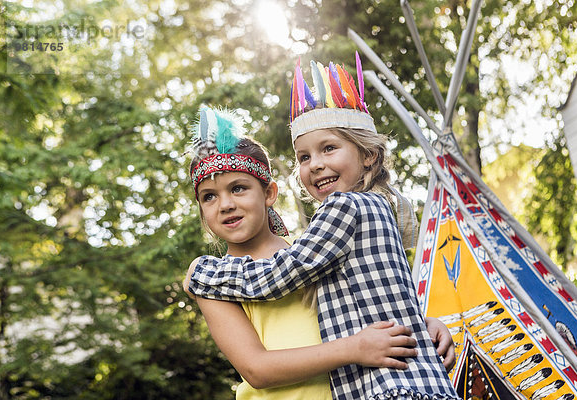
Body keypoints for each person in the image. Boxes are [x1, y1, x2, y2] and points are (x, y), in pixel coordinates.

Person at [185, 56, 460, 400]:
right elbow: (257, 369)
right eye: (209, 196)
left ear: (269, 193)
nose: (225, 204)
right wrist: (354, 348)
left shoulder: (307, 250)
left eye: (238, 188)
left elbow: (371, 298)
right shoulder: (219, 279)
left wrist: (421, 325)